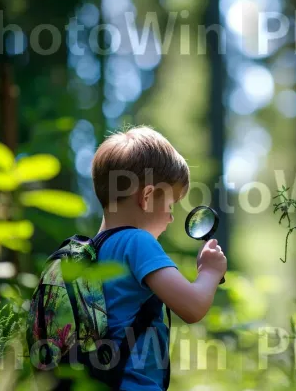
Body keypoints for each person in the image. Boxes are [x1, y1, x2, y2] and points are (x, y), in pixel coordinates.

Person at [90, 126, 227, 390]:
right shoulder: (137, 242)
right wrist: (210, 272)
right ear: (148, 196)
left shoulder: (92, 250)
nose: (171, 217)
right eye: (171, 204)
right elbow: (193, 307)